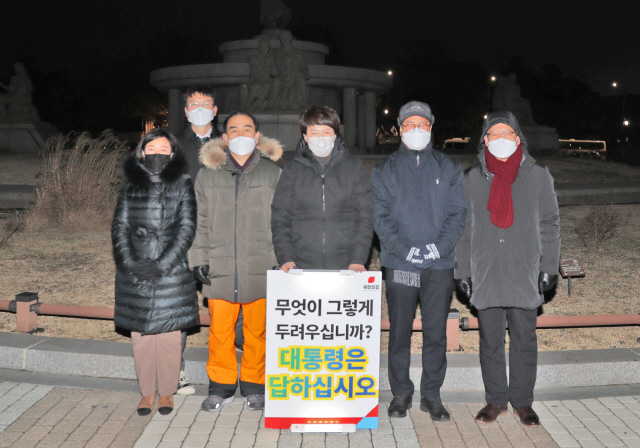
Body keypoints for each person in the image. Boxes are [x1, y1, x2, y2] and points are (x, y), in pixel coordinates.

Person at [454, 111, 560, 427]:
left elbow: (550, 222)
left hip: (524, 270)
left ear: (518, 138)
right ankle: (496, 399)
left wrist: (549, 265)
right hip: (486, 270)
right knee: (490, 340)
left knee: (525, 339)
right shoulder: (472, 177)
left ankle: (523, 402)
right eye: (494, 134)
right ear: (484, 140)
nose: (500, 140)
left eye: (507, 134)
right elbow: (464, 227)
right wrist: (462, 271)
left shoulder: (538, 174)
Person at [370, 101, 466, 420]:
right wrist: (405, 250)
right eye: (409, 125)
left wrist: (437, 249)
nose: (415, 130)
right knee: (399, 330)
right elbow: (380, 218)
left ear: (431, 128)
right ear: (399, 129)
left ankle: (431, 395)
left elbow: (457, 214)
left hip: (438, 266)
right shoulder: (384, 170)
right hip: (402, 265)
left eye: (421, 125)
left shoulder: (448, 168)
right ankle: (401, 393)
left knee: (435, 332)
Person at [189, 111, 283, 412]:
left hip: (261, 263)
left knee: (257, 331)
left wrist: (281, 259)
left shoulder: (273, 173)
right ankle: (221, 386)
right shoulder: (208, 174)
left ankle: (255, 386)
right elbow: (199, 220)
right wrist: (198, 258)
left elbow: (283, 220)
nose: (241, 135)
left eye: (248, 129)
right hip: (220, 263)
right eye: (234, 130)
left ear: (257, 136)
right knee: (220, 331)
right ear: (225, 138)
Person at [111, 128, 199, 416]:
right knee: (142, 337)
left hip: (171, 271)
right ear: (142, 152)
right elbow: (120, 227)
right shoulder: (130, 186)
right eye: (152, 148)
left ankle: (167, 394)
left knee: (170, 337)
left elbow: (187, 228)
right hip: (135, 269)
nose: (158, 153)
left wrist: (161, 265)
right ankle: (146, 393)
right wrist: (130, 262)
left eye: (164, 149)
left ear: (172, 154)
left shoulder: (183, 183)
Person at [271, 106, 373, 273]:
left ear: (335, 134)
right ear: (305, 136)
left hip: (346, 264)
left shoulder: (353, 167)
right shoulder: (292, 169)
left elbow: (365, 216)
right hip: (300, 264)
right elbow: (280, 217)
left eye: (326, 132)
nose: (320, 138)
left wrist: (357, 259)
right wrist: (286, 257)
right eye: (314, 132)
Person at [175, 85, 218, 396]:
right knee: (179, 303)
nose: (200, 107)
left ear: (215, 110)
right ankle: (174, 370)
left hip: (224, 234)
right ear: (186, 110)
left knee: (232, 306)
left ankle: (236, 374)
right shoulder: (172, 145)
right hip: (185, 234)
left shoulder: (232, 142)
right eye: (194, 103)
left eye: (206, 103)